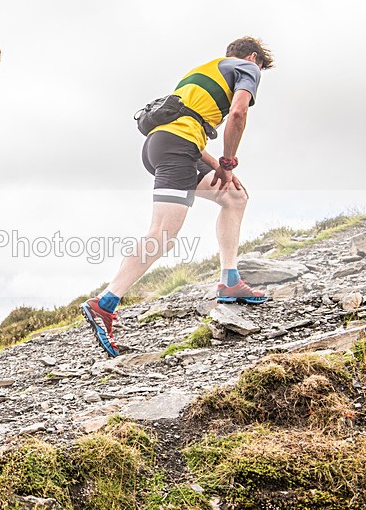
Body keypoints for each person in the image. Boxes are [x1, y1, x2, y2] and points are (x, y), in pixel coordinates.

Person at [81, 37, 274, 358]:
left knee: (235, 197)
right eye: (261, 68)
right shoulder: (248, 68)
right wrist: (228, 160)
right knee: (162, 235)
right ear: (254, 58)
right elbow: (238, 113)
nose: (258, 75)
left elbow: (192, 131)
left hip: (167, 144)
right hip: (176, 149)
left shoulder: (204, 72)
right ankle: (105, 304)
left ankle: (230, 281)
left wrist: (221, 171)